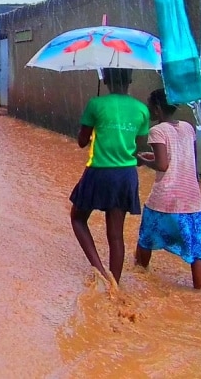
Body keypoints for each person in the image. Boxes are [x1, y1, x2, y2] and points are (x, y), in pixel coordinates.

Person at [69, 68, 150, 285]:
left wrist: (89, 124)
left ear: (104, 79)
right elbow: (138, 150)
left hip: (99, 172)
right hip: (126, 175)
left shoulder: (95, 104)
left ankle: (100, 271)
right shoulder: (142, 109)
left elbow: (82, 141)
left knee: (77, 218)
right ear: (130, 79)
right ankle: (115, 284)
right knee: (116, 236)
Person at [135, 89, 201, 290]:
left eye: (151, 107)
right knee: (197, 252)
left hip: (165, 200)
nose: (149, 111)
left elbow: (162, 165)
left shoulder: (157, 131)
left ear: (158, 109)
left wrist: (142, 159)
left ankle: (138, 275)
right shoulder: (188, 128)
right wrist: (150, 158)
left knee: (145, 239)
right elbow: (181, 159)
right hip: (193, 201)